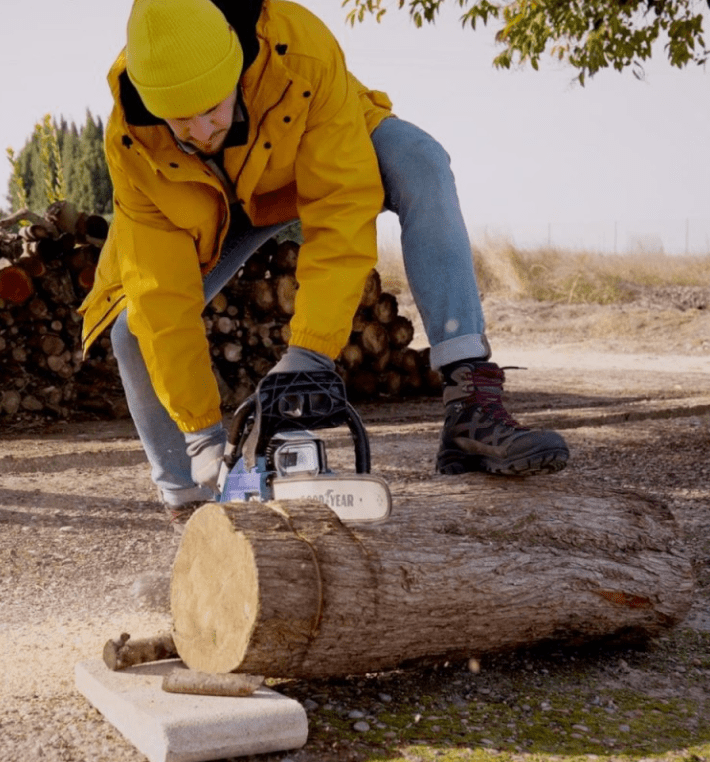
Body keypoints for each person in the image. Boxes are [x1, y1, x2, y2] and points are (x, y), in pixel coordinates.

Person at [79, 0, 569, 522]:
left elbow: (340, 211)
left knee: (420, 162)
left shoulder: (301, 54)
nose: (201, 132)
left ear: (239, 69)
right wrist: (202, 432)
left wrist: (311, 352)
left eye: (212, 109)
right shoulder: (132, 140)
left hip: (309, 151)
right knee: (133, 327)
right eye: (181, 120)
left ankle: (472, 403)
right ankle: (190, 498)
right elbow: (162, 294)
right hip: (215, 203)